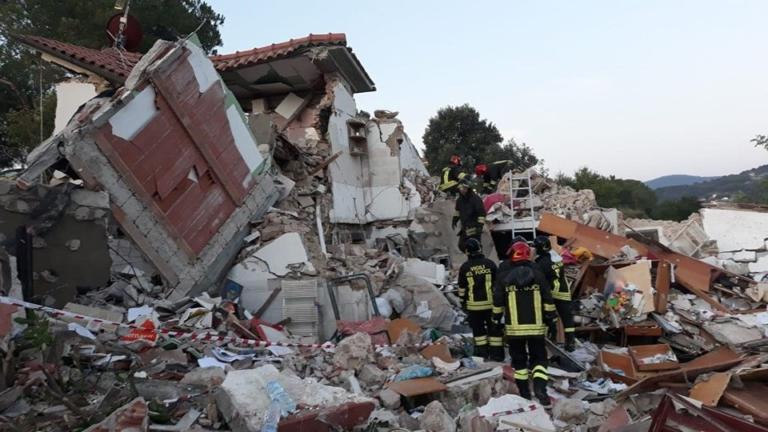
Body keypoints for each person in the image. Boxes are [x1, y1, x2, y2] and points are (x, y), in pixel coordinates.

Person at [493, 241, 557, 407]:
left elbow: (498, 302)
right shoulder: (538, 274)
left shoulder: (503, 277)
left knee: (519, 363)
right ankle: (540, 390)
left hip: (514, 330)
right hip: (536, 328)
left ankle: (525, 395)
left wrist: (495, 320)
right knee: (539, 360)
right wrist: (552, 320)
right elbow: (548, 300)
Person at [458, 238, 504, 361]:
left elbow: (462, 288)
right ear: (480, 248)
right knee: (494, 331)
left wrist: (462, 302)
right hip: (490, 305)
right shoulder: (490, 264)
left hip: (474, 307)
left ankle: (483, 355)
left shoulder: (465, 267)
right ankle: (497, 355)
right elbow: (499, 284)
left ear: (467, 251)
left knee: (479, 332)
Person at [533, 236, 576, 351]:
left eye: (536, 247)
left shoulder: (541, 263)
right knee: (567, 318)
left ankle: (552, 339)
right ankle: (570, 343)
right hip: (563, 291)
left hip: (551, 293)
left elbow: (539, 280)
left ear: (540, 248)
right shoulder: (556, 257)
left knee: (549, 317)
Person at [453, 179, 486, 253]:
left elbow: (481, 213)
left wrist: (480, 226)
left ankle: (478, 257)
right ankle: (471, 256)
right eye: (460, 188)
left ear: (468, 188)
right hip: (465, 227)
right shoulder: (459, 200)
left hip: (474, 227)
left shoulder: (475, 199)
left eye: (464, 188)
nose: (462, 190)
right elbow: (457, 211)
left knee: (475, 245)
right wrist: (455, 219)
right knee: (462, 245)